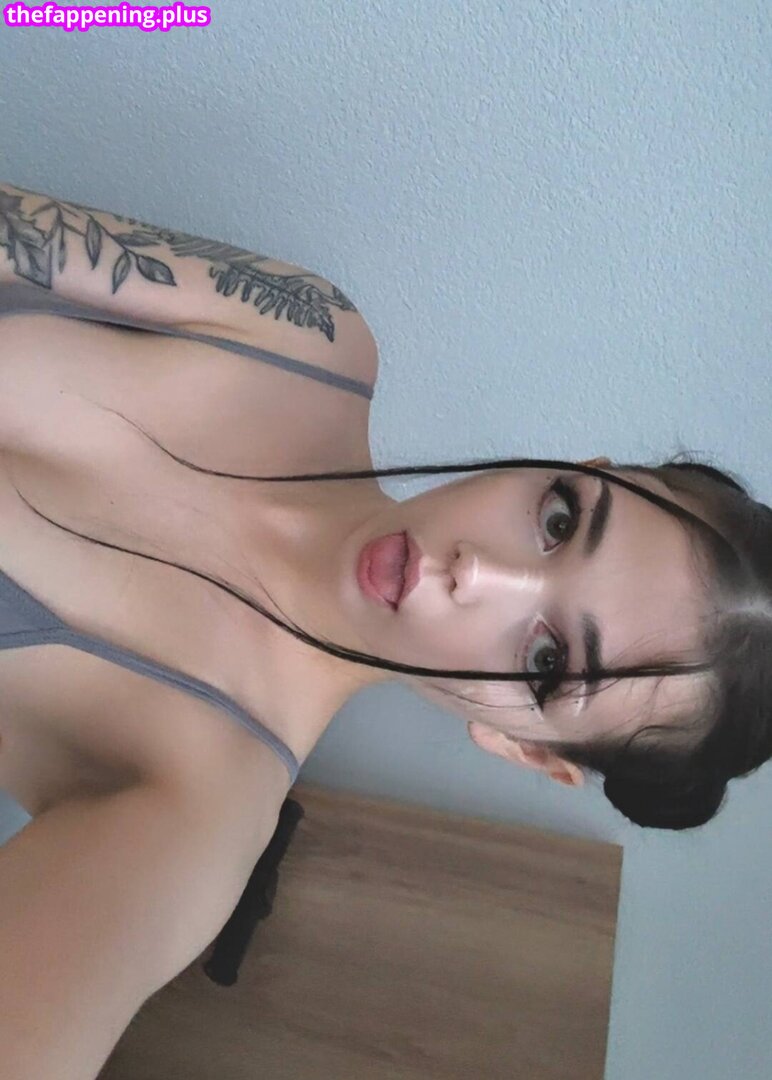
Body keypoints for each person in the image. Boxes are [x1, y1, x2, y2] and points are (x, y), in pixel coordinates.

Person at [0, 182, 770, 1076]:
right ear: (580, 463)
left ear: (527, 750)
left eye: (547, 661)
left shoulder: (196, 815)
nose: (478, 572)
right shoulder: (315, 337)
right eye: (560, 518)